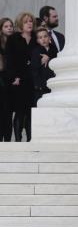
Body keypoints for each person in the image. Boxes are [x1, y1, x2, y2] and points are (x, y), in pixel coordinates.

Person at [5, 12, 36, 141]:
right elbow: (10, 60)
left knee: (31, 112)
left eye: (31, 21)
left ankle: (30, 139)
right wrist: (14, 77)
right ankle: (18, 141)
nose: (29, 23)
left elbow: (47, 50)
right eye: (26, 21)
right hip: (19, 80)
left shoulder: (36, 38)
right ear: (20, 24)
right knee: (19, 111)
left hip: (33, 81)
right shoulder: (14, 39)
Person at [30, 27, 56, 104]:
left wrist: (48, 57)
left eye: (45, 36)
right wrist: (41, 62)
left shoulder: (54, 49)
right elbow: (34, 67)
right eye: (40, 37)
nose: (43, 39)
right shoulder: (36, 51)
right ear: (37, 40)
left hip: (52, 82)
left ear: (49, 37)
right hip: (41, 85)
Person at [0, 17, 13, 141]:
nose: (9, 28)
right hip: (1, 80)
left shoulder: (14, 42)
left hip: (11, 81)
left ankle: (8, 140)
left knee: (8, 112)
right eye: (6, 26)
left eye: (10, 26)